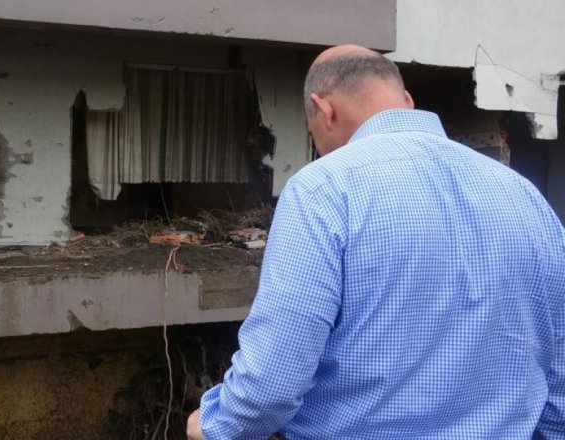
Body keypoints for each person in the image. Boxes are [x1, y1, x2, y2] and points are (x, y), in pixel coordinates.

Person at [186, 45, 565, 439]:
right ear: (406, 101)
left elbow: (273, 380)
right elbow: (559, 371)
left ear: (324, 109)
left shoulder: (323, 189)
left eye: (311, 132)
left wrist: (216, 425)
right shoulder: (524, 195)